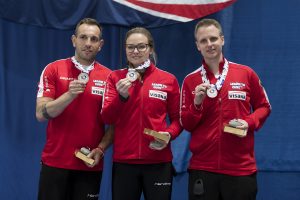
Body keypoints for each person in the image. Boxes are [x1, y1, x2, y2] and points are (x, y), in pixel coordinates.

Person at [180, 18, 271, 200]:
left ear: (222, 39)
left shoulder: (246, 73)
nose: (209, 44)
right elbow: (187, 124)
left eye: (213, 39)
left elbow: (264, 106)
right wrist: (196, 104)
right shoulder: (190, 80)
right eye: (203, 41)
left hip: (240, 169)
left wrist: (248, 122)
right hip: (203, 169)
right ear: (197, 45)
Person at [35, 18, 113, 200]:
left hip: (89, 165)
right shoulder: (54, 69)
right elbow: (40, 114)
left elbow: (116, 123)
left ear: (100, 44)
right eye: (83, 37)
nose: (88, 43)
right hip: (55, 162)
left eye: (94, 39)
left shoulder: (110, 77)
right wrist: (69, 95)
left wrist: (101, 149)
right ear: (73, 40)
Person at [101, 27, 182, 200]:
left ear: (150, 49)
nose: (135, 51)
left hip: (158, 162)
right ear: (125, 49)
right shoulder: (115, 78)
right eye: (130, 47)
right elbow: (107, 117)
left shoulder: (168, 79)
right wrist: (121, 98)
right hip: (124, 163)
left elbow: (178, 120)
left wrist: (168, 135)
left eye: (141, 46)